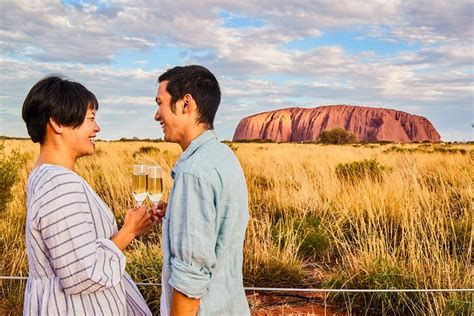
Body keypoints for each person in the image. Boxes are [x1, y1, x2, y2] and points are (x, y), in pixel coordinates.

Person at [22, 76, 152, 315]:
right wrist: (129, 232)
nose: (97, 128)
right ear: (57, 123)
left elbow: (76, 252)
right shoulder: (57, 184)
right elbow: (82, 274)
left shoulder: (47, 177)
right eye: (90, 118)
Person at [153, 65, 250, 315]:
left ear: (186, 104)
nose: (157, 115)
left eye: (160, 103)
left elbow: (190, 277)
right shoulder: (223, 156)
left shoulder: (193, 171)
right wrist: (176, 212)